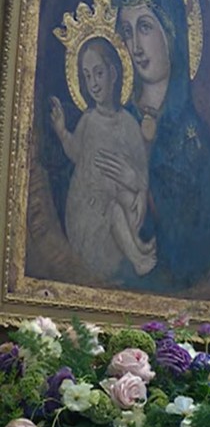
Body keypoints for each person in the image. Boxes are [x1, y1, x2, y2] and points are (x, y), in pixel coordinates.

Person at [111, 0, 210, 292]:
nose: (135, 47)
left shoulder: (192, 138)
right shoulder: (116, 119)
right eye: (126, 31)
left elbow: (198, 244)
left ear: (171, 31)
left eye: (144, 27)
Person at [48, 37, 156, 278]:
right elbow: (75, 152)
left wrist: (139, 187)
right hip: (88, 215)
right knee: (115, 206)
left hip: (118, 207)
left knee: (124, 199)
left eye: (98, 73)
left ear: (114, 73)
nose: (93, 84)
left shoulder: (129, 124)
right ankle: (138, 258)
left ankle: (136, 244)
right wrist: (62, 131)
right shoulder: (88, 121)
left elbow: (141, 169)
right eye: (87, 76)